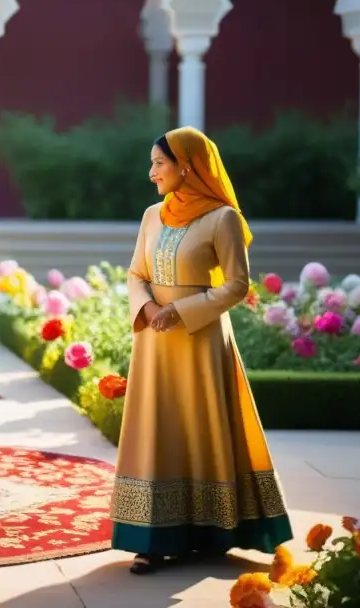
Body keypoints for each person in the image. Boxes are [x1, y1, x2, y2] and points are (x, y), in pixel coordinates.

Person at [111, 127, 292, 574]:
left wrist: (183, 310)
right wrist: (151, 307)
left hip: (201, 340)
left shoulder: (222, 218)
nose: (151, 173)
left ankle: (212, 530)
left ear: (186, 166)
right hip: (155, 343)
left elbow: (236, 285)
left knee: (201, 424)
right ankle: (152, 538)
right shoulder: (153, 216)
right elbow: (136, 273)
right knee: (159, 429)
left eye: (159, 163)